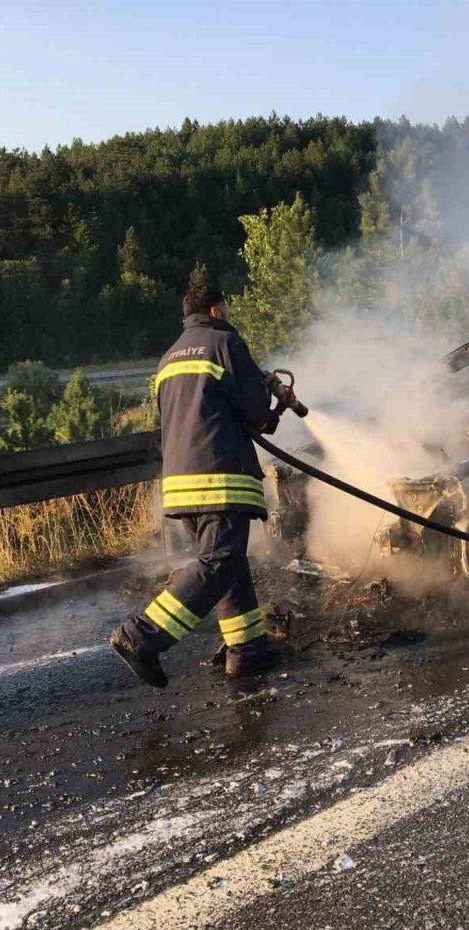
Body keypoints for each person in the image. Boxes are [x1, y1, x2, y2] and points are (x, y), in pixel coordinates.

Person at [109, 281, 287, 685]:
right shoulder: (225, 343)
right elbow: (257, 416)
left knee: (228, 564)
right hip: (220, 477)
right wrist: (273, 402)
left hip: (180, 482)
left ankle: (247, 652)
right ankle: (141, 636)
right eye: (227, 308)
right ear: (215, 311)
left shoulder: (169, 357)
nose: (229, 315)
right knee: (218, 563)